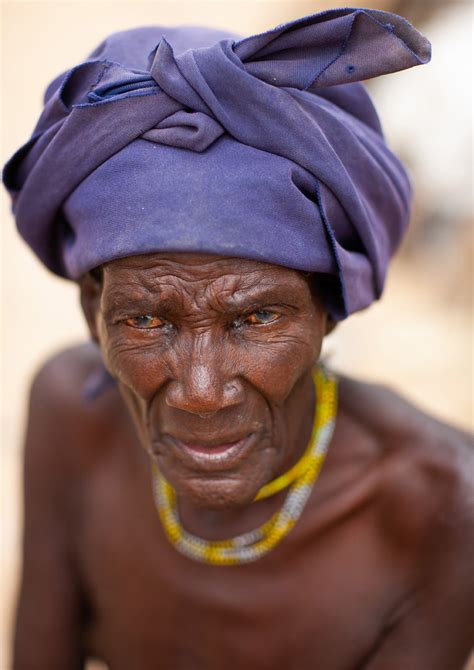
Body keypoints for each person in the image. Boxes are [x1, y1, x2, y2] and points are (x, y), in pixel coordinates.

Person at [3, 7, 473, 669]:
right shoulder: (72, 418)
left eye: (255, 320)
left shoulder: (441, 504)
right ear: (91, 310)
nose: (200, 391)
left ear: (328, 308)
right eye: (146, 321)